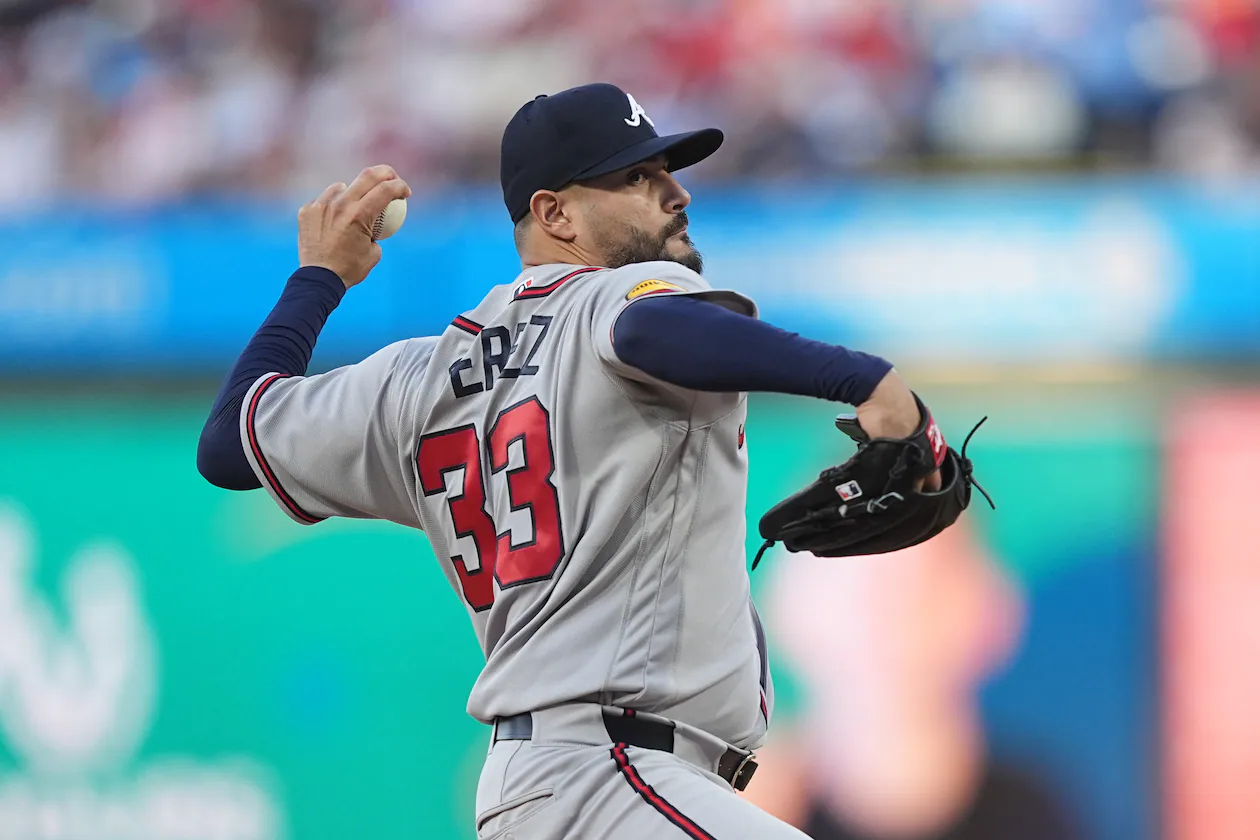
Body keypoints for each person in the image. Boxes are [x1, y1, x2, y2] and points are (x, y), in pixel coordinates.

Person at [196, 82, 938, 840]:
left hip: (559, 785)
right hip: (612, 774)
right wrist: (864, 380)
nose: (675, 193)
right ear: (553, 213)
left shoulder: (413, 381)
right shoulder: (616, 298)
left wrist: (319, 278)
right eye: (635, 178)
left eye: (666, 172)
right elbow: (653, 332)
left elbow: (229, 442)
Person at [744, 525, 1082, 840]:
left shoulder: (1036, 815)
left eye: (922, 585)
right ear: (785, 609)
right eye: (857, 589)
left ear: (994, 612)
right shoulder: (735, 812)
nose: (887, 622)